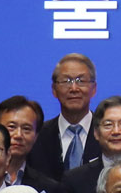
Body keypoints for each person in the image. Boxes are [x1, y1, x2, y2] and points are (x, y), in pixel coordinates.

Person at [29, 53, 97, 181]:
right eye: (66, 81)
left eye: (81, 81)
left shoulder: (106, 133)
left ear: (94, 88)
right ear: (54, 89)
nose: (74, 88)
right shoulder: (37, 135)